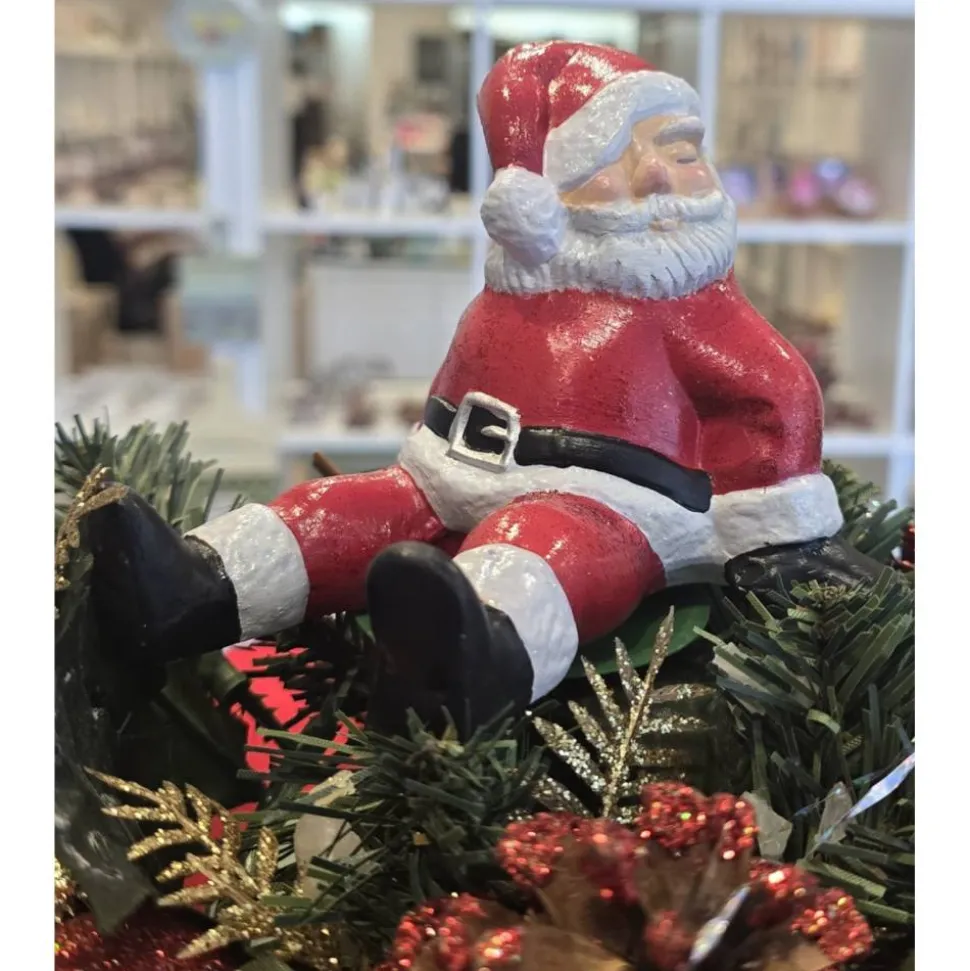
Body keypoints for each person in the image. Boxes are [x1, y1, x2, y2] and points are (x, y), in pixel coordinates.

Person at [87, 42, 879, 739]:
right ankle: (199, 583)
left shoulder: (692, 308)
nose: (657, 176)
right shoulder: (514, 291)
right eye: (612, 160)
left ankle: (469, 653)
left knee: (539, 544)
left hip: (609, 501)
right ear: (540, 198)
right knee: (347, 508)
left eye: (679, 151)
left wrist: (775, 534)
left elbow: (776, 395)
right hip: (445, 470)